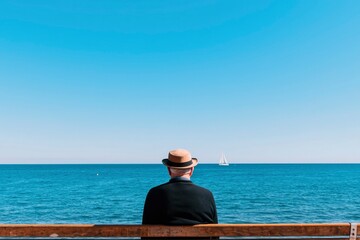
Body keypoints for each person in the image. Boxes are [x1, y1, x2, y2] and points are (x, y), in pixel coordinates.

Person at [142, 149, 218, 226]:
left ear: (169, 170)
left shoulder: (154, 193)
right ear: (191, 170)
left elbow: (145, 231)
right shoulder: (207, 195)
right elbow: (215, 232)